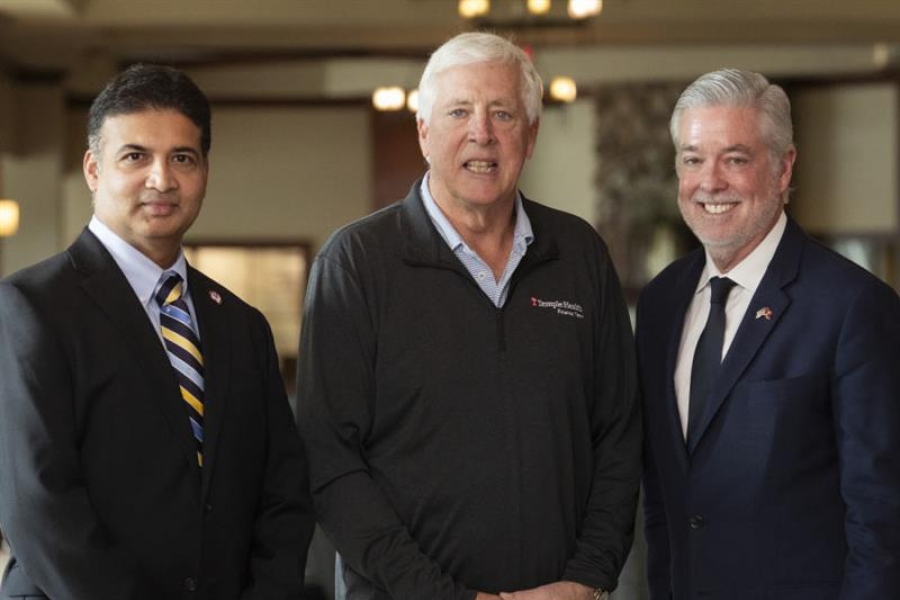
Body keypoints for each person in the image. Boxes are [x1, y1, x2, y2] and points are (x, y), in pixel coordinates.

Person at [296, 32, 641, 600]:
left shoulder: (579, 254)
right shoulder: (356, 262)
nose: (481, 132)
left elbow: (619, 435)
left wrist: (588, 578)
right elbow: (330, 463)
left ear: (530, 136)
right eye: (459, 111)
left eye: (502, 113)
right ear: (424, 132)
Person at [0, 64, 314, 600]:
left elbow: (282, 492)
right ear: (94, 170)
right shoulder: (30, 307)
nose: (162, 179)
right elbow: (39, 504)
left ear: (205, 172)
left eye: (183, 158)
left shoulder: (241, 326)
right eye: (135, 157)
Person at [636, 68, 900, 600]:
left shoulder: (853, 306)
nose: (709, 182)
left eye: (735, 159)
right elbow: (665, 500)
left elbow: (882, 517)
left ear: (782, 169)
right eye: (692, 159)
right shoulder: (661, 301)